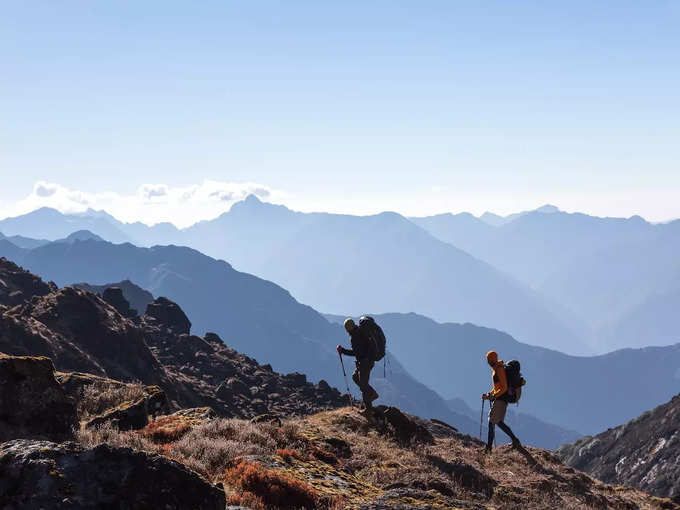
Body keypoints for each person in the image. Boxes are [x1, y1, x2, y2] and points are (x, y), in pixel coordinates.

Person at [482, 350, 522, 453]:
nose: (487, 362)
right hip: (501, 399)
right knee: (498, 422)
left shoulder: (499, 370)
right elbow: (497, 387)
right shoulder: (496, 369)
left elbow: (503, 388)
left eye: (488, 360)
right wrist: (489, 395)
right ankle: (514, 440)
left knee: (492, 421)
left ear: (491, 360)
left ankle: (489, 448)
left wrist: (493, 396)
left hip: (501, 399)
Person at [337, 318, 379, 411]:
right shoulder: (360, 332)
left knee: (363, 384)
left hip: (365, 362)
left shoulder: (355, 336)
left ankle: (368, 409)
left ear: (348, 328)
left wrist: (343, 351)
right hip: (367, 361)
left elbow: (356, 353)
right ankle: (371, 394)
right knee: (355, 377)